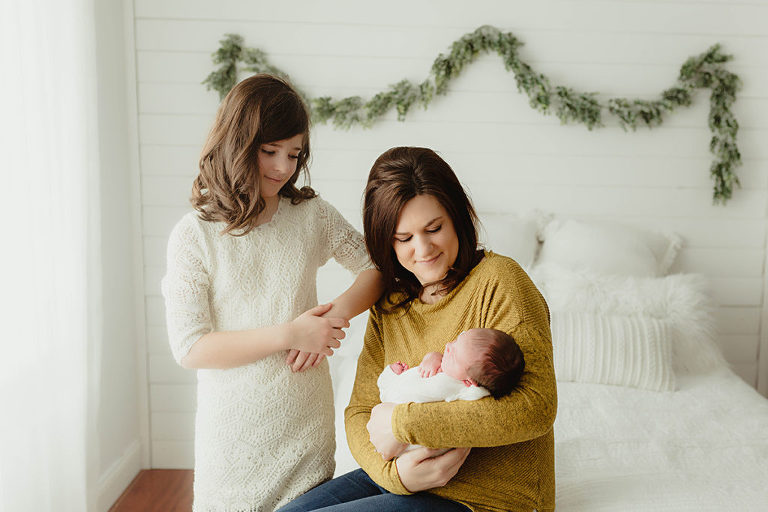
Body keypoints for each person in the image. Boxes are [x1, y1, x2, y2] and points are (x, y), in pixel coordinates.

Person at [279, 146, 557, 512]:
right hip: (399, 474)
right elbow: (361, 410)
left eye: (434, 228)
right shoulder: (392, 302)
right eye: (404, 238)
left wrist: (401, 423)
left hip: (483, 499)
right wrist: (397, 477)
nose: (423, 249)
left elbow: (535, 408)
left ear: (457, 217)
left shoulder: (501, 282)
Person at [161, 74, 383, 511]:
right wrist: (291, 334)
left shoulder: (310, 216)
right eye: (269, 151)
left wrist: (329, 318)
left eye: (294, 154)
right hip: (233, 435)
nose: (282, 167)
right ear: (237, 142)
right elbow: (190, 348)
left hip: (304, 424)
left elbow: (376, 267)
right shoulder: (194, 236)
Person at [379, 327, 526, 405]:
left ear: (470, 382)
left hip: (397, 408)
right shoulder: (452, 368)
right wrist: (433, 357)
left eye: (453, 355)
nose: (448, 345)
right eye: (457, 340)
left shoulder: (467, 391)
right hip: (394, 390)